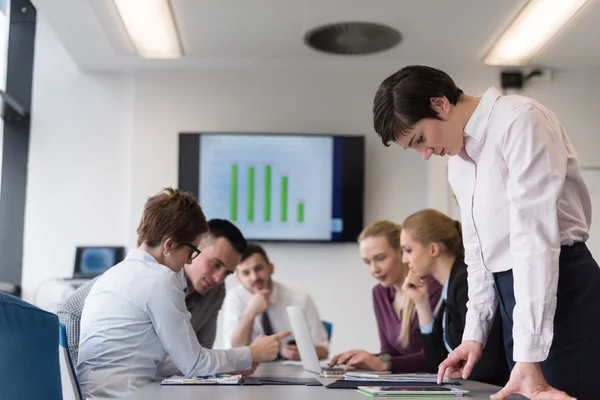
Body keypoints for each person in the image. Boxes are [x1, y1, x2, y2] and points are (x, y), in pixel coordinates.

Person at [372, 65, 600, 399]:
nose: (424, 155)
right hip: (515, 299)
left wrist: (529, 353)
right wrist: (473, 335)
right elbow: (478, 255)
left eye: (420, 139)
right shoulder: (459, 164)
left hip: (562, 287)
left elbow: (534, 239)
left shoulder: (519, 119)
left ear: (440, 104)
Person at [77, 188, 289, 398]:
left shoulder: (111, 275)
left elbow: (160, 363)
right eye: (190, 252)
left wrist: (230, 363)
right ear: (169, 245)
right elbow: (194, 363)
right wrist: (252, 353)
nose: (188, 261)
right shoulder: (160, 279)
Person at [56, 218, 247, 365]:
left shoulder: (216, 292)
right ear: (194, 250)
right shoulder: (144, 274)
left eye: (227, 273)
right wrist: (74, 374)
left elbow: (202, 350)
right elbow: (69, 309)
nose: (218, 279)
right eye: (215, 265)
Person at [400, 209, 508, 386]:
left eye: (408, 250)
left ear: (433, 249)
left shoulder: (465, 283)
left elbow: (487, 363)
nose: (404, 259)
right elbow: (436, 359)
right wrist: (421, 303)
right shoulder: (451, 287)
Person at [329, 220, 442, 372]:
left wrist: (383, 363)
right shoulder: (380, 293)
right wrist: (364, 359)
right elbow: (390, 352)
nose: (374, 269)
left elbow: (436, 356)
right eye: (367, 262)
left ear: (402, 253)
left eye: (380, 258)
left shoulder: (432, 288)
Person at [222, 243, 329, 361]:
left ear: (271, 268)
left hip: (292, 371)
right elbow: (234, 351)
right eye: (246, 273)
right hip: (253, 372)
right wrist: (250, 313)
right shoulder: (234, 298)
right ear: (239, 279)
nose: (254, 277)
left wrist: (304, 353)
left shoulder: (301, 299)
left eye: (258, 269)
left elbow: (323, 349)